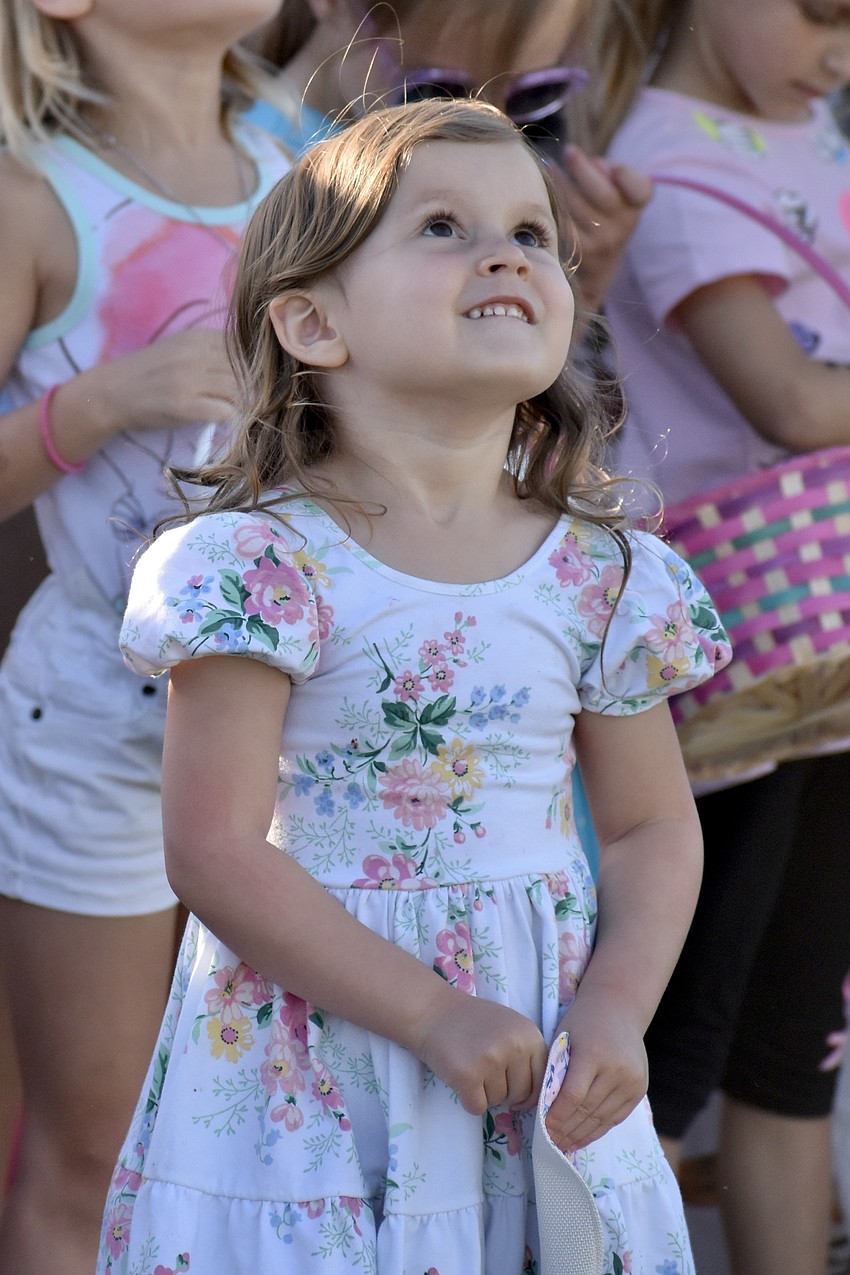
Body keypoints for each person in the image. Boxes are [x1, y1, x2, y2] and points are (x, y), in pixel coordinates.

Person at [96, 97, 731, 1274]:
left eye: (531, 234)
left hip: (538, 1045)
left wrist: (617, 1009)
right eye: (442, 227)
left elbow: (648, 827)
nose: (506, 254)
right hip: (315, 1063)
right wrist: (429, 1011)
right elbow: (215, 850)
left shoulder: (604, 574)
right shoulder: (260, 566)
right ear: (313, 322)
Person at [0, 1, 292, 1270]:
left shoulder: (314, 164)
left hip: (302, 717)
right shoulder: (30, 199)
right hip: (100, 718)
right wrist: (100, 400)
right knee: (96, 1153)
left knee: (274, 1143)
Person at [584, 2, 850, 1273]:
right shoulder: (664, 166)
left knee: (797, 1040)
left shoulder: (807, 128)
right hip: (730, 662)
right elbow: (788, 400)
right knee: (672, 1043)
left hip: (821, 660)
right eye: (822, 13)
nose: (839, 54)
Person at [241, 0, 653, 315]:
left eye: (534, 95)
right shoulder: (240, 176)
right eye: (437, 94)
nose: (495, 129)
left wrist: (583, 282)